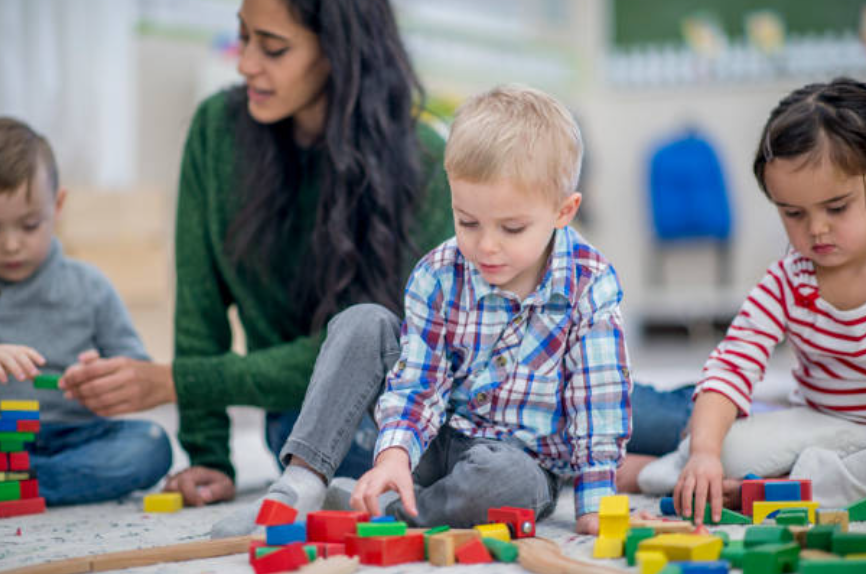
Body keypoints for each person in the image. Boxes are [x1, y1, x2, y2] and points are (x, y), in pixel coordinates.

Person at [60, 0, 452, 508]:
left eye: (273, 48)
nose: (245, 63)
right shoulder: (216, 134)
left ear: (340, 51)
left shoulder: (423, 159)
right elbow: (199, 314)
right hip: (299, 418)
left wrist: (174, 383)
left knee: (432, 462)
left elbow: (376, 351)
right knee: (296, 432)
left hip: (404, 416)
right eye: (243, 38)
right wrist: (208, 456)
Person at [327, 84, 633, 535]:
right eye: (467, 221)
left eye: (512, 228)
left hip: (519, 463)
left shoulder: (590, 284)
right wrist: (395, 452)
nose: (485, 245)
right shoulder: (438, 273)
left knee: (507, 484)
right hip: (436, 439)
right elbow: (418, 382)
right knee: (360, 322)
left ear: (563, 211)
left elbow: (597, 404)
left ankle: (395, 513)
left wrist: (595, 505)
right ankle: (305, 479)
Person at [669, 77, 866, 524]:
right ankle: (754, 482)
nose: (816, 230)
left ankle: (768, 491)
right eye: (793, 214)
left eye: (837, 208)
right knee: (726, 447)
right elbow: (732, 364)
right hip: (817, 421)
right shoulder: (787, 280)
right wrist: (705, 452)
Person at [0, 117, 172, 505]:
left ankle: (25, 486)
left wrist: (106, 379)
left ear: (58, 206)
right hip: (2, 438)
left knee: (150, 445)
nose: (11, 245)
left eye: (29, 226)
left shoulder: (89, 287)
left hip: (76, 436)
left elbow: (137, 368)